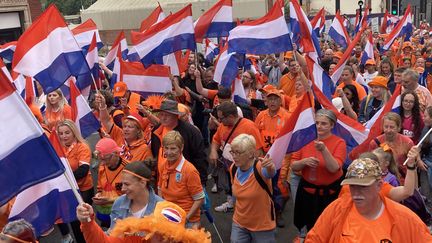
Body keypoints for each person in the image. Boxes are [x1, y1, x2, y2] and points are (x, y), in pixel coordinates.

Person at [305, 158, 432, 242]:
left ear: (379, 185)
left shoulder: (404, 219)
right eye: (353, 186)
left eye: (363, 186)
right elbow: (315, 239)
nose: (356, 192)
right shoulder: (337, 210)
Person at [290, 109, 346, 235]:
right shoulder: (305, 139)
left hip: (330, 194)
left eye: (324, 123)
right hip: (308, 192)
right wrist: (304, 162)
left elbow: (334, 168)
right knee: (310, 227)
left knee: (328, 228)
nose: (319, 126)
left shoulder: (339, 142)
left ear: (332, 125)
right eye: (317, 123)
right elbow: (294, 166)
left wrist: (324, 150)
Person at [209, 102, 264, 212]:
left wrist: (251, 170)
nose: (219, 122)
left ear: (231, 117)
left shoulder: (249, 127)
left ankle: (245, 210)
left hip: (243, 170)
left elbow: (258, 152)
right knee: (230, 186)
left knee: (244, 192)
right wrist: (213, 151)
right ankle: (231, 204)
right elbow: (216, 140)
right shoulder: (223, 126)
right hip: (228, 166)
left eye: (221, 118)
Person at [77, 201, 210, 243]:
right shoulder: (135, 241)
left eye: (169, 235)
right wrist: (87, 222)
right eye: (159, 231)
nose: (164, 239)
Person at [229, 134, 276, 243]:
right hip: (239, 223)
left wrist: (270, 166)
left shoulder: (260, 167)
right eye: (232, 152)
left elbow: (270, 173)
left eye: (238, 153)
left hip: (262, 226)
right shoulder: (234, 168)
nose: (234, 156)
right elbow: (235, 194)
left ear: (251, 154)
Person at [150, 99, 208, 185]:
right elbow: (155, 154)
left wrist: (201, 181)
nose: (163, 118)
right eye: (161, 114)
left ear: (176, 116)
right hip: (162, 181)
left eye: (167, 115)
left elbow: (200, 157)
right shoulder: (156, 130)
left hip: (183, 181)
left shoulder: (191, 132)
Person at [254, 88, 290, 227]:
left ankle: (278, 211)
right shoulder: (261, 115)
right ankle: (263, 211)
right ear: (266, 101)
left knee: (278, 186)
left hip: (280, 157)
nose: (273, 102)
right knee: (262, 185)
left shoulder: (286, 117)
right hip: (263, 155)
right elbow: (256, 133)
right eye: (270, 99)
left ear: (280, 101)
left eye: (275, 99)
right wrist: (259, 152)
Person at [158, 131, 205, 228]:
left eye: (173, 148)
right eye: (166, 148)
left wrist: (185, 219)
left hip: (187, 221)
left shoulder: (189, 170)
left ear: (181, 148)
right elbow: (160, 188)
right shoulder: (163, 165)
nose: (169, 152)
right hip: (168, 217)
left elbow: (199, 199)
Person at [57, 119, 93, 243]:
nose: (63, 136)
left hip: (84, 190)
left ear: (73, 132)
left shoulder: (82, 146)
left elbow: (83, 171)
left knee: (84, 223)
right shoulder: (59, 148)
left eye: (67, 133)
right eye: (60, 133)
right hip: (69, 191)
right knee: (73, 222)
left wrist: (64, 179)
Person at [96, 93, 153, 161]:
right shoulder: (119, 135)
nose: (126, 129)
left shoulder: (144, 149)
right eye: (125, 126)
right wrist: (102, 105)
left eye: (130, 127)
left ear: (138, 130)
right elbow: (106, 120)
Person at [109, 161, 163, 232]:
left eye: (127, 184)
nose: (122, 189)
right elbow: (112, 235)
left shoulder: (162, 208)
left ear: (143, 183)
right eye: (122, 184)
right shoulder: (119, 203)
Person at [93, 138, 129, 228]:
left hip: (123, 213)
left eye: (106, 159)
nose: (103, 163)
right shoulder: (102, 167)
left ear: (116, 154)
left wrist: (110, 200)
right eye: (101, 159)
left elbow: (132, 196)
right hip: (106, 212)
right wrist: (99, 194)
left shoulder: (128, 169)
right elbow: (100, 186)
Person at [369, 112, 415, 178]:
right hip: (380, 182)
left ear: (399, 128)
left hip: (401, 182)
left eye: (392, 127)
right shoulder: (375, 143)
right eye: (386, 127)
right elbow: (370, 165)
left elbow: (413, 167)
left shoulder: (408, 143)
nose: (388, 130)